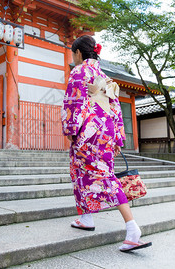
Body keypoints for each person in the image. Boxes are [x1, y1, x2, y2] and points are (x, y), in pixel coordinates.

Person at [61, 35, 152, 252]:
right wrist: (119, 138)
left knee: (101, 176)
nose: (73, 58)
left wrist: (70, 129)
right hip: (106, 131)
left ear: (79, 53)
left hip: (88, 132)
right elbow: (116, 109)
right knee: (84, 172)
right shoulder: (105, 76)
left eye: (74, 54)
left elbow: (73, 102)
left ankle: (132, 229)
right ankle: (86, 218)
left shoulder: (79, 72)